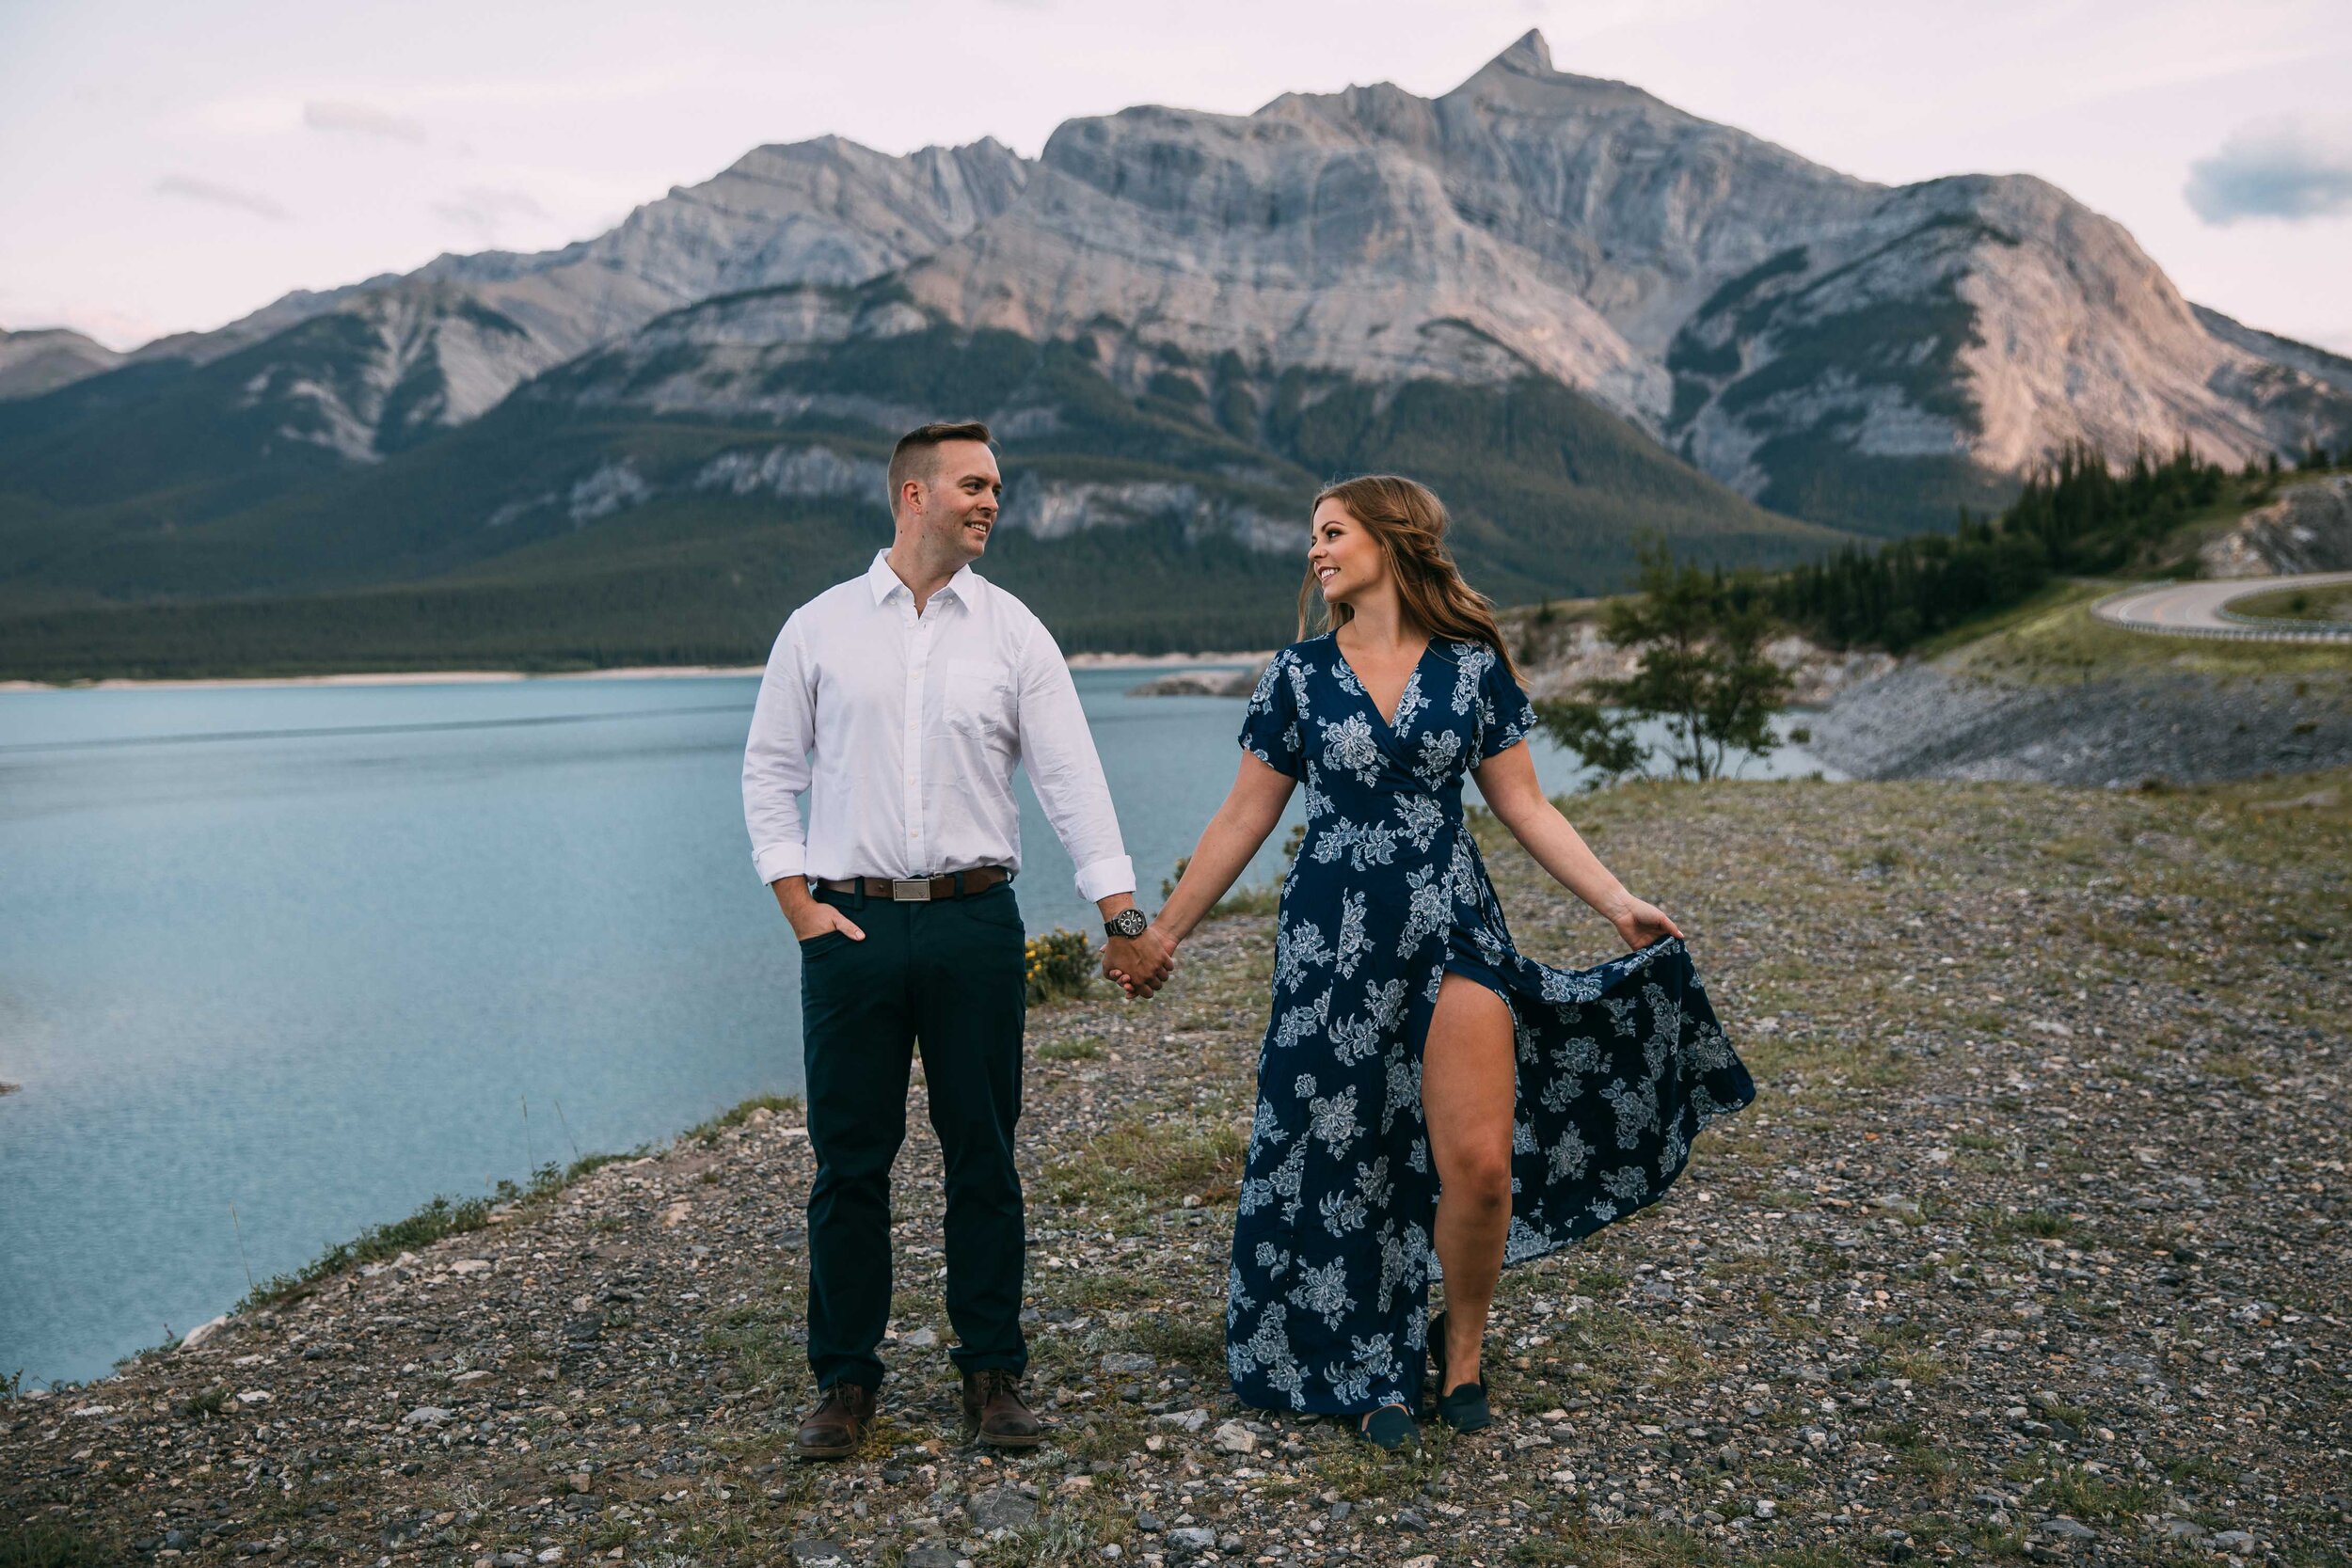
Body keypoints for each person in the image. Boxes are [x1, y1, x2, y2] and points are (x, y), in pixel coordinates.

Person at [1122, 474, 1754, 1450]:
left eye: (1331, 532)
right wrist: (1163, 931)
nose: (1315, 550)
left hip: (1452, 922)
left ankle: (1460, 1351)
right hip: (1332, 941)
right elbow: (1244, 816)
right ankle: (1368, 1365)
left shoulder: (1468, 670)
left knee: (1480, 1163)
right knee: (1351, 1152)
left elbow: (1526, 805)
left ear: (1389, 538)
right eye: (1313, 536)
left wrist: (1618, 898)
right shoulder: (1296, 675)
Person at [743, 420, 1176, 1460]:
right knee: (850, 1163)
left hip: (978, 923)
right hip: (850, 925)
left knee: (983, 1156)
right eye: (974, 486)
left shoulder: (1014, 630)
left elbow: (1070, 779)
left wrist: (1122, 916)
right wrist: (800, 905)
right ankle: (843, 1382)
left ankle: (993, 1373)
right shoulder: (818, 627)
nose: (991, 503)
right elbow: (768, 773)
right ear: (913, 495)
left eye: (996, 488)